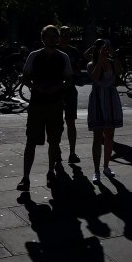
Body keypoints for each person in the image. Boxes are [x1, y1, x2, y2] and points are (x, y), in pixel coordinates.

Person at [18, 25, 72, 190]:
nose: (51, 39)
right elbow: (24, 77)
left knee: (54, 141)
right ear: (43, 39)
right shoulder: (34, 56)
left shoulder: (64, 57)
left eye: (54, 36)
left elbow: (69, 80)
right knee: (31, 141)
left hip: (55, 104)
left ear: (58, 38)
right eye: (48, 36)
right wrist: (35, 86)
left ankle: (50, 172)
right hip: (37, 103)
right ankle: (25, 177)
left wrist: (59, 87)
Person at [87, 39, 124, 183]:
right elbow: (95, 77)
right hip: (97, 99)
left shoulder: (112, 62)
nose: (105, 50)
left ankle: (106, 166)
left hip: (110, 98)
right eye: (102, 48)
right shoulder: (91, 64)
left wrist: (113, 56)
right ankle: (96, 170)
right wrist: (101, 60)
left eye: (107, 48)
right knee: (97, 136)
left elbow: (119, 71)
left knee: (109, 134)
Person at [58, 26, 82, 164]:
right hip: (56, 89)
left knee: (70, 121)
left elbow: (78, 71)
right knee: (56, 122)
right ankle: (57, 150)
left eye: (67, 35)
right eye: (63, 34)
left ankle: (72, 152)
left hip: (69, 89)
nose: (65, 37)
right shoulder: (53, 50)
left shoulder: (73, 51)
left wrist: (69, 66)